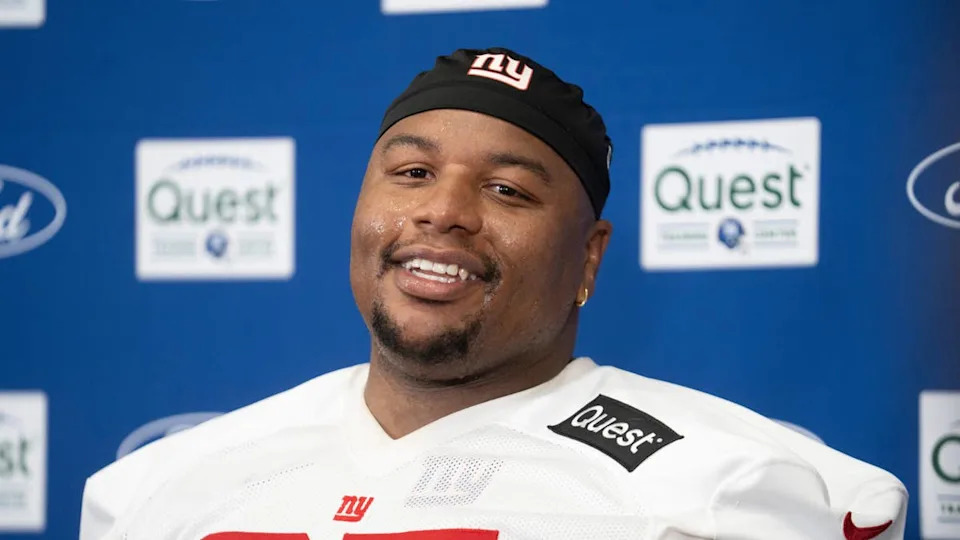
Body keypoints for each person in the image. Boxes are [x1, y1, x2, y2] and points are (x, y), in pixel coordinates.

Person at [80, 47, 907, 540]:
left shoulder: (723, 483)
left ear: (588, 257)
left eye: (509, 191)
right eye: (411, 174)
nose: (442, 211)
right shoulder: (158, 487)